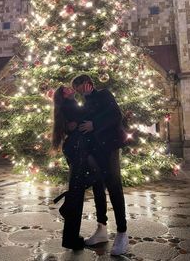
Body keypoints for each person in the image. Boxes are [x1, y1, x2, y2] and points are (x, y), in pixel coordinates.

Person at [71, 74, 129, 256]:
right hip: (93, 150)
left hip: (109, 147)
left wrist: (94, 124)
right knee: (98, 188)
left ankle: (122, 232)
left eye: (77, 88)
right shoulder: (87, 100)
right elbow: (84, 119)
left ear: (86, 84)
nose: (77, 93)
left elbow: (115, 115)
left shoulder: (104, 94)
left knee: (114, 187)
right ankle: (101, 228)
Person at [52, 85, 101, 250]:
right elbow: (85, 114)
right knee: (82, 185)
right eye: (66, 88)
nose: (70, 88)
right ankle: (70, 232)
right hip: (77, 147)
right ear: (64, 94)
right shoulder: (69, 104)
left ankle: (70, 234)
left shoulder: (65, 106)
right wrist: (89, 95)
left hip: (74, 147)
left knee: (78, 187)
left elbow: (75, 122)